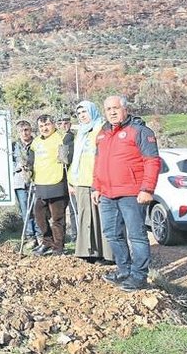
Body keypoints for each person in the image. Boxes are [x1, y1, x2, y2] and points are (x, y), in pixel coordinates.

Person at [93, 96, 160, 292]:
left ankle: (139, 276)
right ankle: (124, 270)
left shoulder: (140, 131)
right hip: (107, 194)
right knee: (112, 234)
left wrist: (147, 189)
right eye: (108, 109)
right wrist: (96, 187)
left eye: (115, 108)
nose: (112, 112)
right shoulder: (103, 134)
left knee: (137, 236)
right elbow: (98, 163)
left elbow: (152, 161)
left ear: (125, 109)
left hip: (132, 194)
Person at [70, 101, 113, 262]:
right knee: (85, 217)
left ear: (93, 112)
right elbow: (76, 159)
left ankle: (108, 254)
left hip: (99, 181)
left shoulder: (102, 129)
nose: (82, 116)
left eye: (85, 112)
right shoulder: (80, 133)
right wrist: (71, 180)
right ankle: (88, 252)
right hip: (81, 181)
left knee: (102, 218)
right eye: (79, 113)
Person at [28, 114, 73, 256]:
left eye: (47, 125)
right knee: (39, 215)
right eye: (41, 126)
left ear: (53, 124)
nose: (44, 128)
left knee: (57, 218)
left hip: (57, 183)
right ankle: (47, 242)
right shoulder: (35, 142)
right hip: (40, 184)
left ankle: (58, 247)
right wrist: (27, 169)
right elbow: (31, 160)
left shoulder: (61, 138)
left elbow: (68, 158)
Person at [11, 120, 40, 247]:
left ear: (31, 130)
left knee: (38, 209)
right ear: (18, 132)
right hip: (20, 182)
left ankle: (40, 235)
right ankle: (30, 236)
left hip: (36, 180)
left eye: (27, 129)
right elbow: (8, 163)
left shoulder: (38, 143)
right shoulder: (14, 146)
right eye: (22, 130)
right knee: (25, 210)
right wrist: (18, 166)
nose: (25, 133)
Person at [57, 115, 78, 242]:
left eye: (66, 123)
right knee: (60, 211)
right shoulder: (56, 139)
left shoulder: (73, 138)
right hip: (58, 179)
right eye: (61, 123)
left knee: (74, 208)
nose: (63, 125)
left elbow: (67, 160)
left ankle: (76, 235)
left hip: (70, 177)